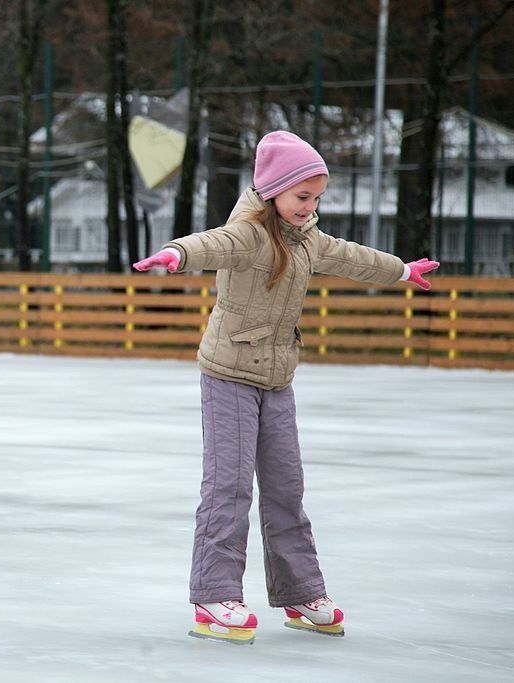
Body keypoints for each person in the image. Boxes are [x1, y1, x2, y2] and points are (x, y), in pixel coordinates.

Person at [133, 130, 439, 644]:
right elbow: (212, 243)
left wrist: (401, 270)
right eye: (303, 196)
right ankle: (214, 594)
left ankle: (300, 592)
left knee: (285, 489)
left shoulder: (307, 239)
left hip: (277, 380)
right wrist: (175, 255)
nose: (310, 206)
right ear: (274, 189)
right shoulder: (250, 234)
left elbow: (351, 258)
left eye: (317, 198)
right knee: (228, 486)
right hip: (229, 375)